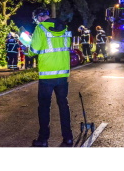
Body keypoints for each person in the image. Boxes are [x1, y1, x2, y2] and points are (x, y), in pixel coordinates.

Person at [30, 8, 73, 147]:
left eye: (37, 19)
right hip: (62, 74)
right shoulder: (65, 27)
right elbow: (66, 47)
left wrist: (28, 48)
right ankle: (68, 138)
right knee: (63, 105)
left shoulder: (40, 28)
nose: (37, 21)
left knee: (44, 107)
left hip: (47, 76)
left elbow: (34, 50)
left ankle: (43, 140)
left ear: (40, 17)